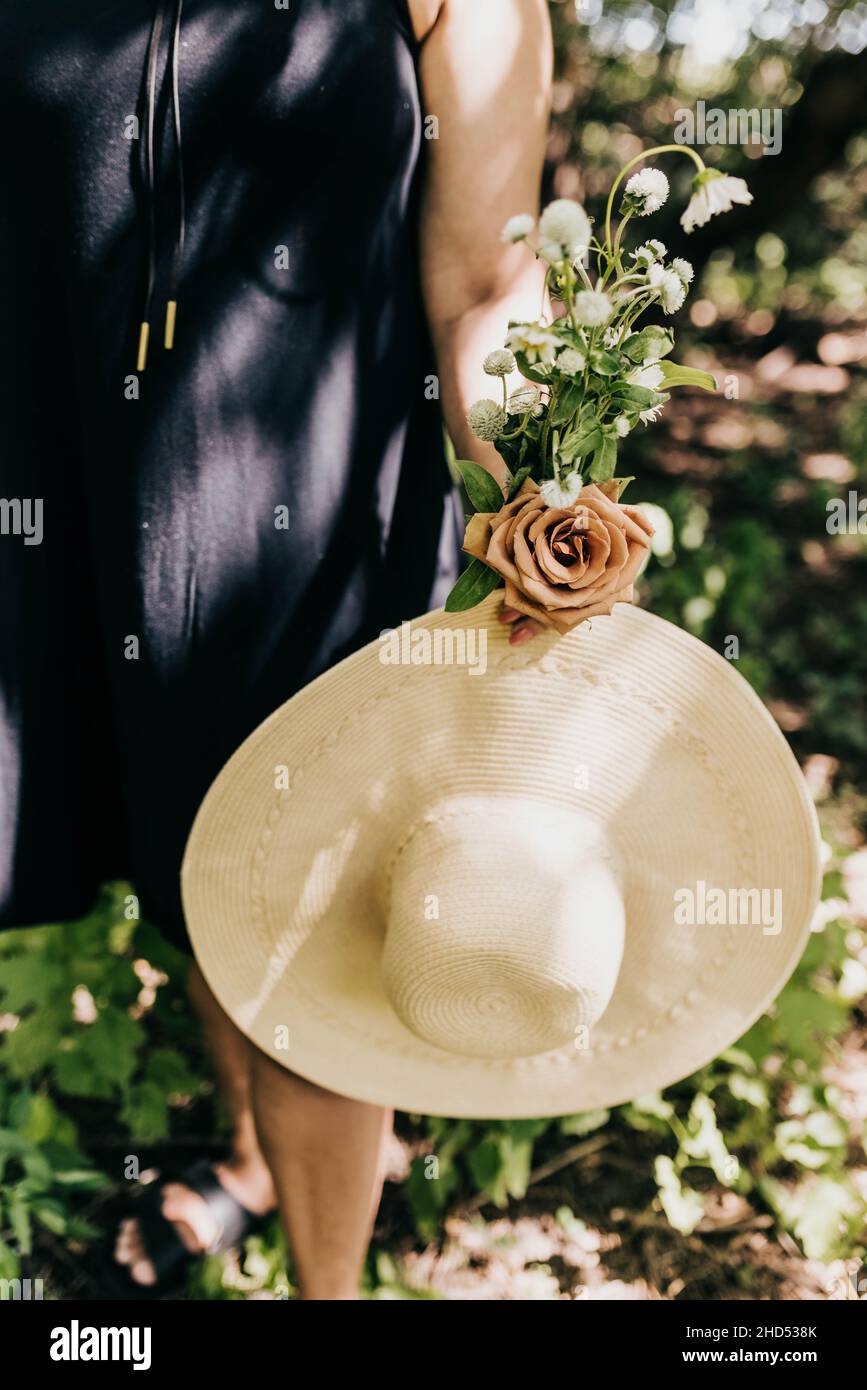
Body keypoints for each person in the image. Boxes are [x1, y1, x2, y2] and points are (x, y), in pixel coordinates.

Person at [0, 0, 552, 1297]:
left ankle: (329, 1287)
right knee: (190, 869)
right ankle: (251, 1157)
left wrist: (537, 496)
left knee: (310, 932)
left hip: (314, 519)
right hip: (73, 484)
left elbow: (485, 278)